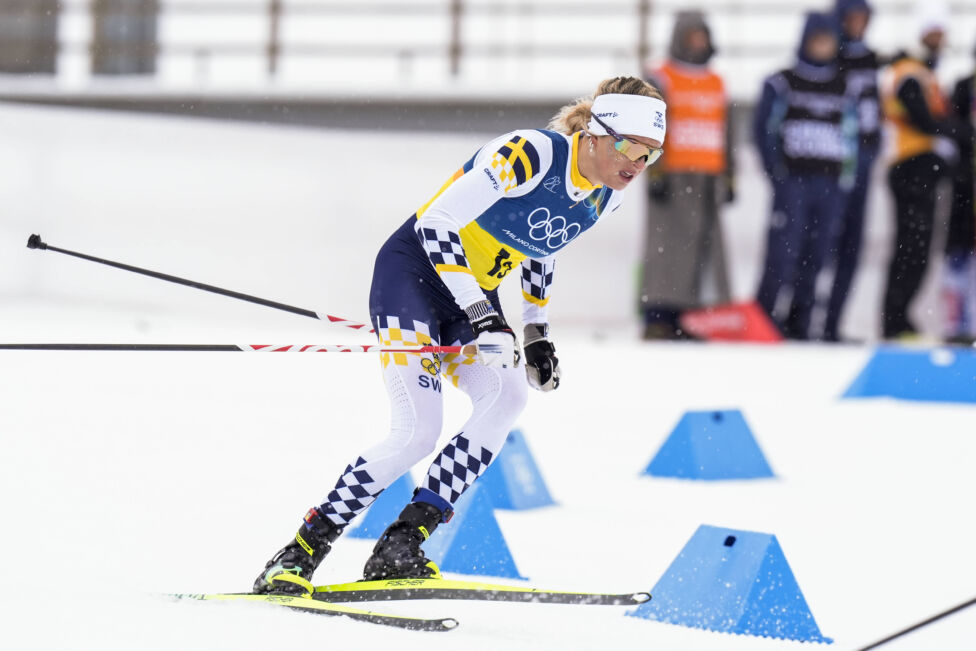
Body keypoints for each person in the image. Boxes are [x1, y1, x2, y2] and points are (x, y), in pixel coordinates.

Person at [252, 76, 667, 595]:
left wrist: (536, 332)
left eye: (651, 154)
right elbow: (437, 221)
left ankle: (404, 541)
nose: (637, 163)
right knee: (415, 433)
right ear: (597, 134)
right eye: (631, 145)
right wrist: (485, 314)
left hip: (470, 297)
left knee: (508, 396)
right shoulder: (531, 152)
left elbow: (544, 246)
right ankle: (300, 551)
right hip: (414, 275)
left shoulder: (606, 197)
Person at [754, 12, 854, 340]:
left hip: (829, 185)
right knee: (783, 252)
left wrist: (844, 181)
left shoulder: (844, 85)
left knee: (818, 253)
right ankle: (764, 320)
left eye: (829, 40)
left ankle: (800, 324)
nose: (823, 46)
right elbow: (763, 130)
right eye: (817, 39)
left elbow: (854, 136)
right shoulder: (782, 81)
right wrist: (777, 174)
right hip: (793, 181)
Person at [640, 10, 735, 340]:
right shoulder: (662, 77)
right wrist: (654, 171)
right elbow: (648, 127)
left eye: (702, 36)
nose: (698, 43)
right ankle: (657, 315)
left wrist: (730, 177)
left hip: (708, 176)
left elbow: (728, 132)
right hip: (673, 173)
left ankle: (690, 316)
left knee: (702, 250)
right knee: (666, 247)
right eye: (692, 36)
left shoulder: (716, 82)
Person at [879, 2, 962, 339]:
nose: (938, 40)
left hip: (922, 170)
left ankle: (900, 320)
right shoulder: (908, 72)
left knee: (917, 249)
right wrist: (950, 134)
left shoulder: (925, 73)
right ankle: (895, 322)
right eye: (932, 33)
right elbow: (922, 117)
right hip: (910, 169)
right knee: (910, 248)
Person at [822, 0, 883, 342]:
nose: (859, 23)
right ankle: (804, 322)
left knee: (851, 246)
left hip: (864, 159)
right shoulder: (830, 54)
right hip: (833, 163)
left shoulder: (870, 57)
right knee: (820, 243)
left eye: (864, 17)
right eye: (853, 17)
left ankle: (832, 324)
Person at [942, 44, 976, 341]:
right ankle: (956, 324)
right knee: (958, 252)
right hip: (965, 182)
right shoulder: (964, 87)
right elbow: (953, 129)